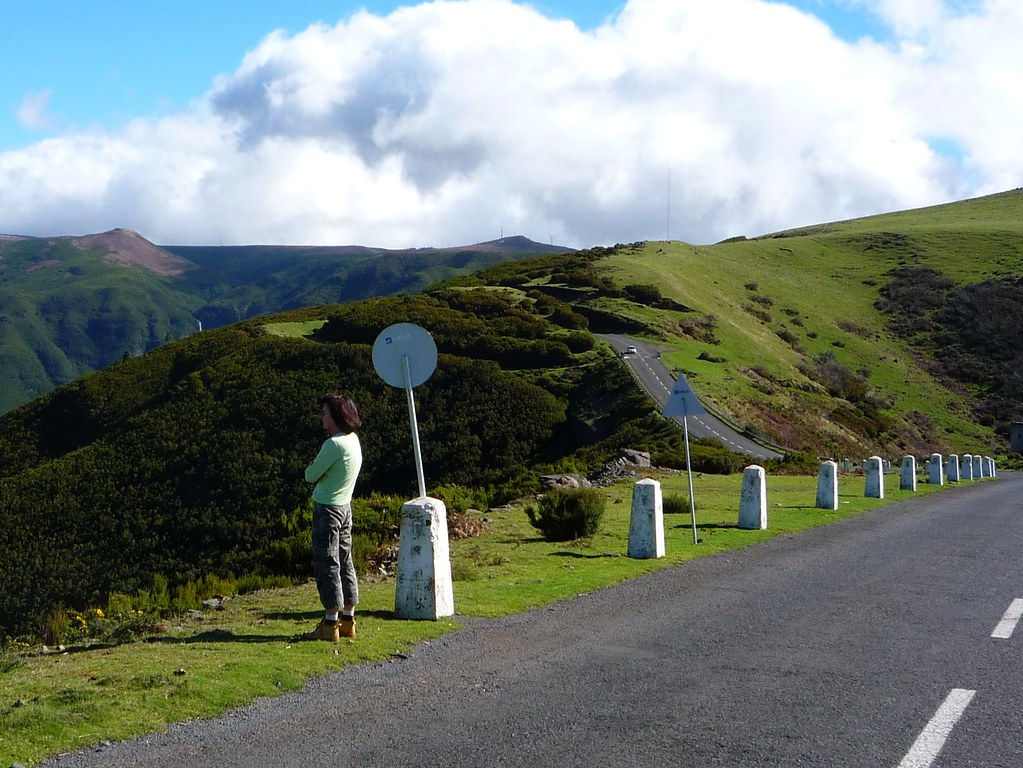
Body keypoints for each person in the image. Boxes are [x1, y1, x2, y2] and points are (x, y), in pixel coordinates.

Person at [303, 393, 363, 641]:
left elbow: (310, 474)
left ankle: (330, 624)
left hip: (327, 509)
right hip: (345, 507)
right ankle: (348, 620)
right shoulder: (353, 440)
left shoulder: (334, 445)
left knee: (327, 563)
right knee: (345, 560)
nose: (322, 417)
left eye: (325, 413)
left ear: (335, 417)